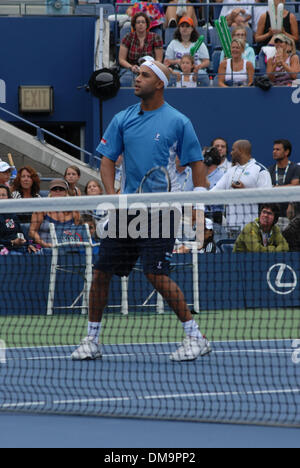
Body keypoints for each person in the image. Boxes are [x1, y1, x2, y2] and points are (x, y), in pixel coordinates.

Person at [71, 60, 211, 362]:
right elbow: (107, 160)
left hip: (162, 210)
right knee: (101, 273)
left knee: (155, 274)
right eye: (136, 74)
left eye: (144, 75)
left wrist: (199, 206)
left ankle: (195, 337)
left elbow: (197, 164)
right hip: (127, 210)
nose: (136, 79)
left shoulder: (178, 121)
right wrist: (112, 198)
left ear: (159, 83)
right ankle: (92, 339)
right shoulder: (122, 118)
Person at [211, 140, 272, 237]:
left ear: (241, 151)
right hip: (230, 228)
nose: (230, 153)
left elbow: (268, 199)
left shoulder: (260, 170)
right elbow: (213, 192)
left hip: (251, 228)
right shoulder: (230, 171)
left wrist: (245, 191)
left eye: (233, 150)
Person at [29, 179, 81, 249]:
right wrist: (44, 244)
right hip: (45, 249)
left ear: (66, 192)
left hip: (68, 249)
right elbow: (32, 231)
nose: (58, 191)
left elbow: (80, 232)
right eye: (55, 189)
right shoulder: (41, 210)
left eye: (61, 189)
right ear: (50, 191)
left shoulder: (74, 212)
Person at [119, 13, 164, 86]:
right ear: (134, 25)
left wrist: (150, 68)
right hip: (131, 68)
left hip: (150, 68)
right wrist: (131, 67)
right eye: (138, 22)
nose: (140, 24)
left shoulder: (155, 37)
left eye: (143, 22)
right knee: (125, 80)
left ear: (146, 25)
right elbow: (121, 59)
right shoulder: (128, 37)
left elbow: (159, 59)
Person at [164, 17, 210, 87]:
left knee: (202, 75)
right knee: (171, 76)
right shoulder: (173, 43)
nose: (184, 28)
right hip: (179, 69)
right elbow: (167, 61)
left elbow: (206, 61)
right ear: (179, 28)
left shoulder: (199, 43)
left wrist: (198, 67)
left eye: (187, 26)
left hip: (196, 70)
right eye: (182, 26)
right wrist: (177, 62)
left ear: (192, 29)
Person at [268, 138, 300, 227]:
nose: (274, 151)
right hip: (274, 216)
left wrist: (276, 188)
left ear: (286, 152)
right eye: (273, 149)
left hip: (291, 216)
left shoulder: (296, 168)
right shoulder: (270, 170)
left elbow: (295, 186)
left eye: (278, 149)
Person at [0, 185, 37, 255]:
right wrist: (12, 242)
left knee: (36, 253)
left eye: (3, 195)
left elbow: (20, 230)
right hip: (5, 248)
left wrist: (28, 244)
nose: (1, 197)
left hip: (19, 246)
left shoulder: (11, 214)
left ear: (8, 197)